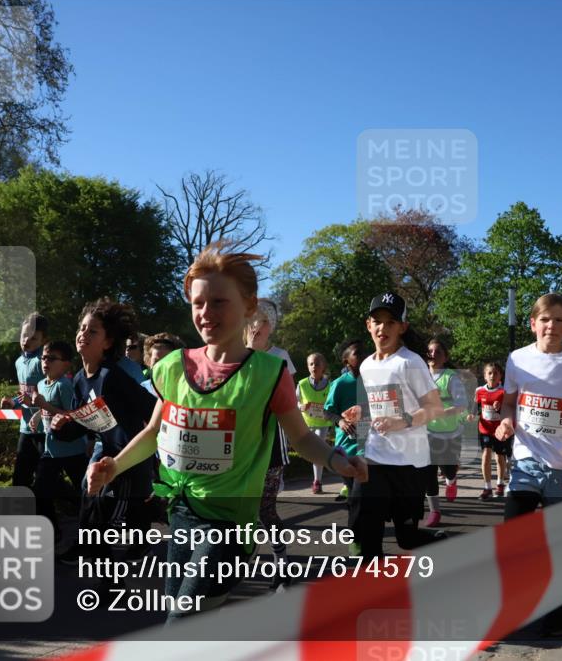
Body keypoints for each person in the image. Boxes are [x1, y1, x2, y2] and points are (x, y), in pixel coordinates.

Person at [85, 243, 365, 620]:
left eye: (219, 302)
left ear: (249, 306)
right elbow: (153, 431)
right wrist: (114, 466)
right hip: (181, 512)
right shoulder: (171, 367)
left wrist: (336, 460)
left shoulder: (269, 374)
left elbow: (300, 437)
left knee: (180, 622)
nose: (206, 313)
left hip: (229, 524)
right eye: (198, 303)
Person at [494, 292, 562, 637]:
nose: (551, 325)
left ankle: (556, 610)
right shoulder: (517, 359)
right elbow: (509, 403)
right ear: (532, 324)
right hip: (526, 462)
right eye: (544, 319)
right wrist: (506, 421)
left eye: (558, 319)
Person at [51, 299, 158, 568]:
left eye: (93, 331)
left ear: (108, 342)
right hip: (105, 454)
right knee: (93, 508)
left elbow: (152, 407)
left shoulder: (113, 377)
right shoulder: (79, 380)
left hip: (129, 459)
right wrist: (60, 427)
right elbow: (82, 424)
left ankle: (119, 566)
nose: (83, 334)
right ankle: (102, 569)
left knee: (107, 518)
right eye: (82, 328)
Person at [351, 291, 446, 558]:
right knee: (366, 535)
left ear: (402, 327)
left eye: (390, 322)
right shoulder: (366, 365)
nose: (382, 328)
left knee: (407, 539)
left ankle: (441, 542)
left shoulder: (410, 362)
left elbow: (435, 408)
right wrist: (359, 412)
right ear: (368, 325)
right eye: (377, 321)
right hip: (375, 457)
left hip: (408, 464)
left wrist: (402, 421)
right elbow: (375, 405)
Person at [244, 298, 297, 591]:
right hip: (239, 446)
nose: (258, 326)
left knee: (266, 509)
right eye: (253, 320)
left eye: (264, 321)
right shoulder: (235, 355)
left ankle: (282, 564)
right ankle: (237, 562)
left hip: (270, 445)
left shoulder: (280, 357)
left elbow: (286, 401)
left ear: (271, 326)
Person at [28, 341, 83, 542]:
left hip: (73, 450)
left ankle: (92, 533)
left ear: (66, 364)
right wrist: (38, 415)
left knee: (86, 493)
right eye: (43, 357)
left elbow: (73, 416)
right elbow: (47, 408)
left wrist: (44, 405)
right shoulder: (43, 384)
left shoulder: (64, 385)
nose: (46, 362)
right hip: (51, 450)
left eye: (52, 358)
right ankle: (52, 532)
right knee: (40, 492)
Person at [0, 312, 50, 489]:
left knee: (46, 479)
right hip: (26, 428)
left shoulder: (44, 361)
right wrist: (13, 402)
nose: (27, 340)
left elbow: (52, 392)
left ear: (44, 340)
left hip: (45, 429)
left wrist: (35, 402)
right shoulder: (18, 362)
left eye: (34, 338)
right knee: (20, 478)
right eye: (24, 335)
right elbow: (24, 394)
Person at [422, 338, 468, 527]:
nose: (433, 354)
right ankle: (435, 511)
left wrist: (441, 412)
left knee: (448, 468)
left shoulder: (451, 378)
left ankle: (451, 480)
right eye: (430, 351)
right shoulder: (421, 376)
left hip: (450, 433)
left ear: (445, 357)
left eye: (438, 352)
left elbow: (462, 405)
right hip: (427, 431)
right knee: (429, 472)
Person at [323, 340, 366, 507]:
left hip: (367, 443)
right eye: (357, 354)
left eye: (364, 352)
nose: (363, 356)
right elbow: (327, 412)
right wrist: (340, 421)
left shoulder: (373, 381)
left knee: (362, 490)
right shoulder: (340, 383)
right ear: (346, 361)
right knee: (354, 492)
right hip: (346, 445)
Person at [297, 352, 334, 494]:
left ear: (323, 366)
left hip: (322, 423)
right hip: (306, 423)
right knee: (309, 452)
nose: (314, 366)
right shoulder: (302, 384)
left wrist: (328, 411)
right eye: (311, 364)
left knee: (318, 450)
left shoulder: (330, 385)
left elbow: (332, 404)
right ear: (308, 366)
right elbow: (294, 402)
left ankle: (317, 481)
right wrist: (301, 407)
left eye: (317, 364)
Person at [473, 362, 509, 500]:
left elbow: (509, 409)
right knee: (486, 455)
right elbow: (475, 406)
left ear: (500, 376)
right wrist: (472, 414)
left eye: (495, 373)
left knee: (499, 457)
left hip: (499, 430)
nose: (492, 375)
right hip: (485, 429)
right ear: (485, 376)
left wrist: (500, 407)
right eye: (489, 373)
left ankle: (500, 484)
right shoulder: (479, 390)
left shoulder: (504, 392)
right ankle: (487, 487)